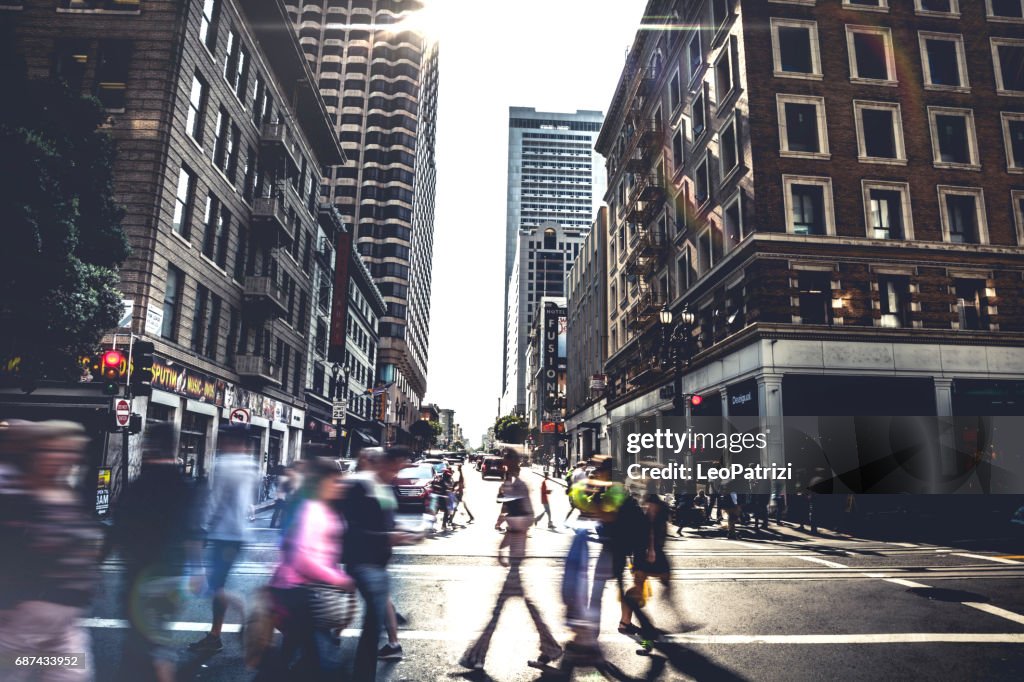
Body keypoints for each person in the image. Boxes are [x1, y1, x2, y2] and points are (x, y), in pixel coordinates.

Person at [0, 420, 103, 682]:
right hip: (23, 622)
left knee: (71, 674)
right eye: (56, 450)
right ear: (33, 453)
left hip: (65, 621)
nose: (65, 458)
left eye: (71, 452)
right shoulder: (14, 493)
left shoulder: (69, 493)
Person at [108, 422, 203, 682]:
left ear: (148, 445)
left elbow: (119, 528)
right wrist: (197, 570)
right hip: (171, 574)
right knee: (153, 635)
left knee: (145, 641)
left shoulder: (139, 485)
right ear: (173, 446)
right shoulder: (185, 486)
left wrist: (99, 558)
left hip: (140, 574)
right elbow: (192, 532)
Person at [460, 451, 562, 671]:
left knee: (500, 610)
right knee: (519, 606)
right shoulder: (512, 483)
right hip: (515, 551)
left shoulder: (518, 484)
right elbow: (510, 512)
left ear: (511, 462)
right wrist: (503, 533)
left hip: (517, 551)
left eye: (504, 459)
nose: (500, 463)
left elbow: (526, 517)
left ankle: (477, 656)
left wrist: (505, 539)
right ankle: (550, 648)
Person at [261, 457, 353, 680]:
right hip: (299, 591)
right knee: (321, 662)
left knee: (294, 655)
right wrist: (338, 579)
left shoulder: (323, 507)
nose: (340, 485)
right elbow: (302, 558)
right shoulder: (313, 510)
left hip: (306, 590)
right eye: (335, 481)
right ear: (320, 482)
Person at [342, 446, 418, 678]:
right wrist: (388, 537)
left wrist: (406, 532)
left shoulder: (384, 488)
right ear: (382, 464)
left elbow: (387, 521)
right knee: (371, 624)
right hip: (362, 563)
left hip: (378, 565)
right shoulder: (359, 486)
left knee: (373, 623)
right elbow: (352, 531)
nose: (397, 473)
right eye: (395, 467)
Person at [189, 423, 259, 653]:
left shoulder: (225, 464)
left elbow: (215, 500)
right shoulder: (251, 465)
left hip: (224, 534)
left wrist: (202, 528)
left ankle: (240, 617)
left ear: (230, 441)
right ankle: (216, 633)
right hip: (239, 535)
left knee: (212, 585)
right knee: (215, 584)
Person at [620, 493, 671, 636]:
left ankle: (625, 621)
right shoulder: (652, 506)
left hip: (642, 553)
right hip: (647, 554)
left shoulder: (647, 505)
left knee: (641, 585)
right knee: (641, 586)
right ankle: (626, 620)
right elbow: (651, 532)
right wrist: (652, 550)